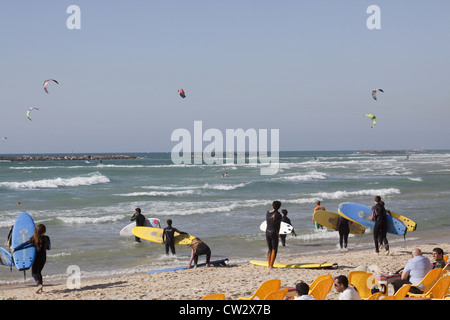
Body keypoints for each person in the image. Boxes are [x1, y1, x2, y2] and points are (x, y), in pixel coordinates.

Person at [11, 224, 51, 294]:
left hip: (37, 258)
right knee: (39, 272)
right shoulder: (47, 238)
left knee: (34, 273)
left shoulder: (33, 239)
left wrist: (15, 249)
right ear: (44, 231)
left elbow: (24, 244)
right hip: (43, 258)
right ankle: (41, 287)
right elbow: (49, 247)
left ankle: (39, 285)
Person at [266, 201, 282, 269]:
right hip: (274, 232)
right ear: (279, 207)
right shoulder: (278, 215)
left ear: (272, 206)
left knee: (269, 249)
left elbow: (267, 222)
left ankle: (268, 264)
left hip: (267, 231)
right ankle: (271, 266)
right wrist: (278, 233)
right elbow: (278, 225)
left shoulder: (267, 212)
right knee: (274, 249)